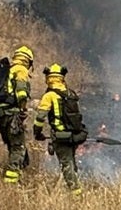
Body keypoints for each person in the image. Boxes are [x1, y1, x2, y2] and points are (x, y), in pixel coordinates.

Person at [33, 63, 85, 192]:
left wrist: (37, 133)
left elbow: (40, 118)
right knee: (71, 162)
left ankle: (76, 192)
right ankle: (76, 186)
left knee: (66, 164)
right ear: (62, 78)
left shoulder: (49, 95)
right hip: (74, 135)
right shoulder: (70, 94)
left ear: (48, 78)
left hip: (60, 136)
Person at [0, 43, 34, 183]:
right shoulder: (21, 70)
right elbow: (21, 93)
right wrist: (23, 110)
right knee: (18, 147)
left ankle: (19, 174)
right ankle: (11, 181)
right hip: (11, 113)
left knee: (12, 145)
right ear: (28, 61)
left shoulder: (8, 69)